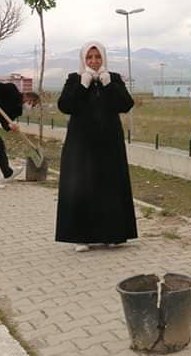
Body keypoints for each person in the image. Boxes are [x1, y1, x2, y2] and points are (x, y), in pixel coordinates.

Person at [55, 41, 137, 253]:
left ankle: (113, 234)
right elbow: (65, 106)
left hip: (109, 143)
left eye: (97, 57)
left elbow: (126, 104)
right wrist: (82, 86)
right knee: (81, 188)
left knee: (110, 187)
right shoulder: (74, 79)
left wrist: (109, 84)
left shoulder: (114, 78)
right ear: (83, 59)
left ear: (103, 58)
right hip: (81, 144)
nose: (93, 61)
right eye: (89, 57)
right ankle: (80, 237)